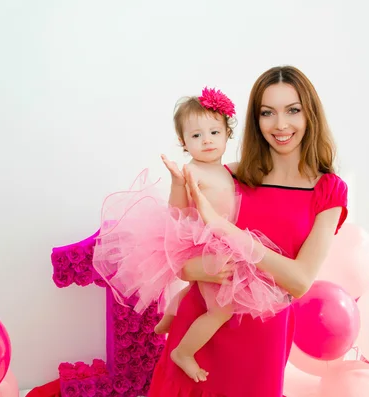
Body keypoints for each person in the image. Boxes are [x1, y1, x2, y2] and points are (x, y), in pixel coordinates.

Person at [147, 65, 349, 397]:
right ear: (255, 120)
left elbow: (299, 281)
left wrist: (231, 233)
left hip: (262, 342)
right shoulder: (229, 175)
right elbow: (179, 243)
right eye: (267, 112)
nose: (280, 124)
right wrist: (195, 268)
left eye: (293, 110)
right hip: (202, 331)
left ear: (310, 115)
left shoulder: (328, 190)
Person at [92, 87, 290, 384]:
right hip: (203, 244)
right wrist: (176, 181)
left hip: (227, 239)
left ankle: (171, 316)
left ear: (227, 135)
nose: (207, 140)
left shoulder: (226, 169)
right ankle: (184, 352)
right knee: (222, 309)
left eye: (214, 132)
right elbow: (180, 212)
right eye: (196, 136)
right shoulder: (192, 171)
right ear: (184, 142)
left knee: (202, 291)